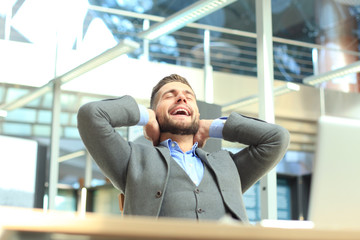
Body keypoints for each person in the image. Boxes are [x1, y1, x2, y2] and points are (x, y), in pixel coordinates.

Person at [77, 74, 290, 222]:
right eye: (169, 95)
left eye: (189, 97)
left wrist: (211, 127)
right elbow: (91, 116)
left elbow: (276, 138)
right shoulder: (132, 159)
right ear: (155, 111)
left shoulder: (227, 165)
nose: (181, 97)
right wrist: (145, 116)